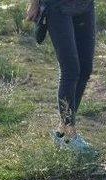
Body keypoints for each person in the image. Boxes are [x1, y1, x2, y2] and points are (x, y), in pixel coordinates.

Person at [26, 0, 98, 155]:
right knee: (70, 70)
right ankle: (70, 136)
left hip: (85, 6)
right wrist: (34, 3)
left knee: (85, 69)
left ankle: (61, 132)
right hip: (57, 7)